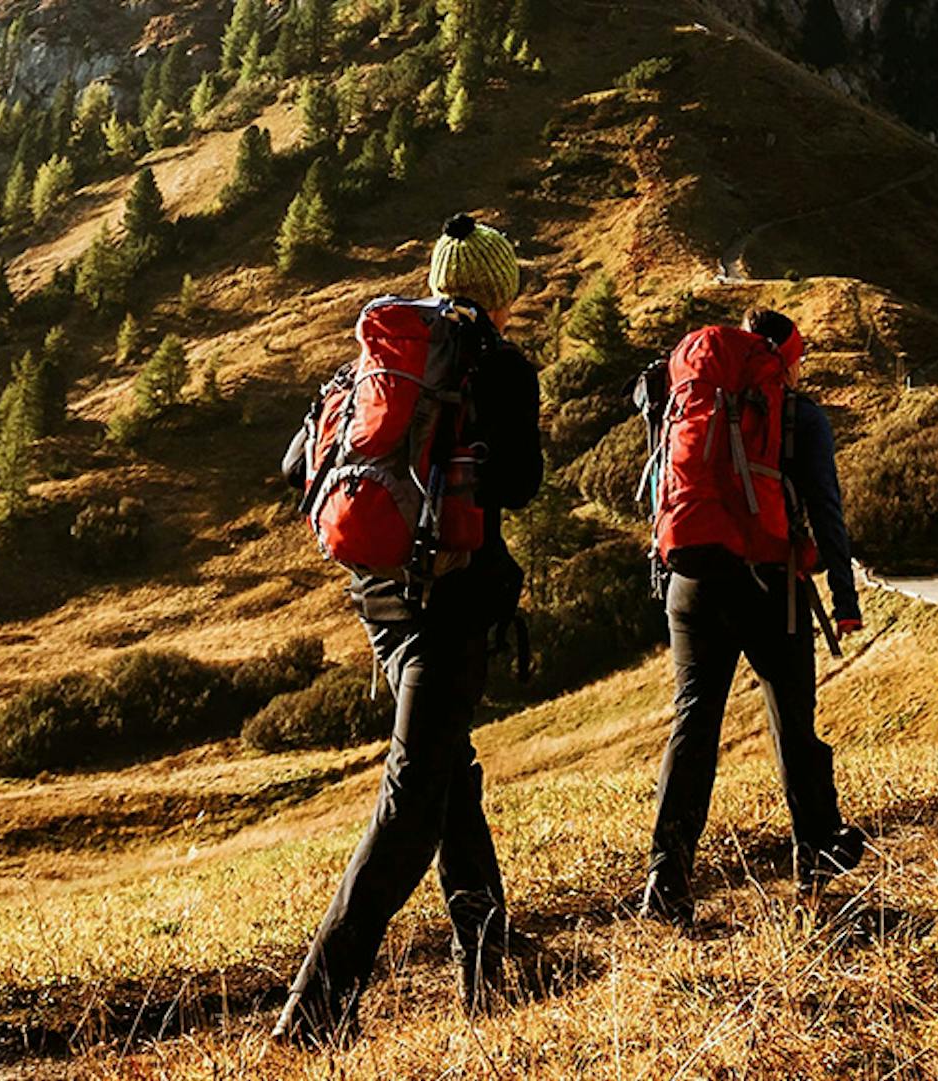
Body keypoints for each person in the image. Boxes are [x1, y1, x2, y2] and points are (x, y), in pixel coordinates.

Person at [274, 214, 542, 1044]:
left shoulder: (386, 355)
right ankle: (317, 1003)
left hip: (379, 598)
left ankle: (490, 959)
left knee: (447, 770)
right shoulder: (497, 366)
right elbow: (523, 484)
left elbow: (296, 468)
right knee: (411, 800)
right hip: (448, 606)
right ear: (498, 291)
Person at [641, 307, 865, 928]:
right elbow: (826, 508)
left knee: (694, 725)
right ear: (786, 358)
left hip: (690, 581)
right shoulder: (796, 412)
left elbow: (663, 487)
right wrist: (844, 599)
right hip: (769, 584)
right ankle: (818, 850)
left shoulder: (688, 401)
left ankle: (667, 875)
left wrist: (664, 580)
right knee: (793, 720)